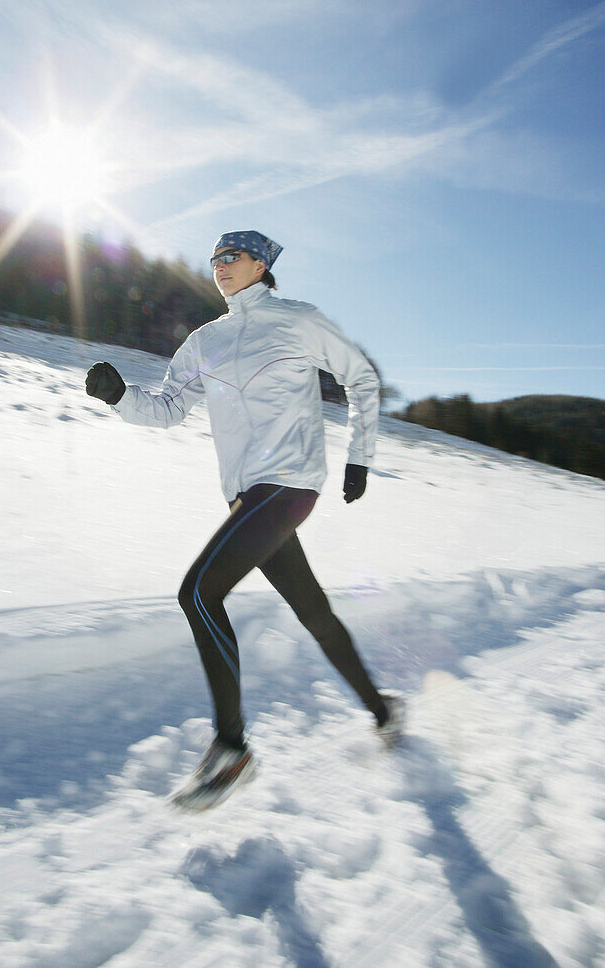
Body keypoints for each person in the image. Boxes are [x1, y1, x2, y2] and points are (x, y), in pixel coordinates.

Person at [86, 230, 404, 811]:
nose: (220, 267)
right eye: (214, 260)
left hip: (288, 483)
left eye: (232, 257)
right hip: (248, 499)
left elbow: (361, 379)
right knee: (315, 613)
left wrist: (360, 457)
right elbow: (168, 409)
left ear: (263, 264)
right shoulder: (205, 340)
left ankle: (233, 748)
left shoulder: (298, 320)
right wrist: (119, 398)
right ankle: (383, 710)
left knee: (199, 593)